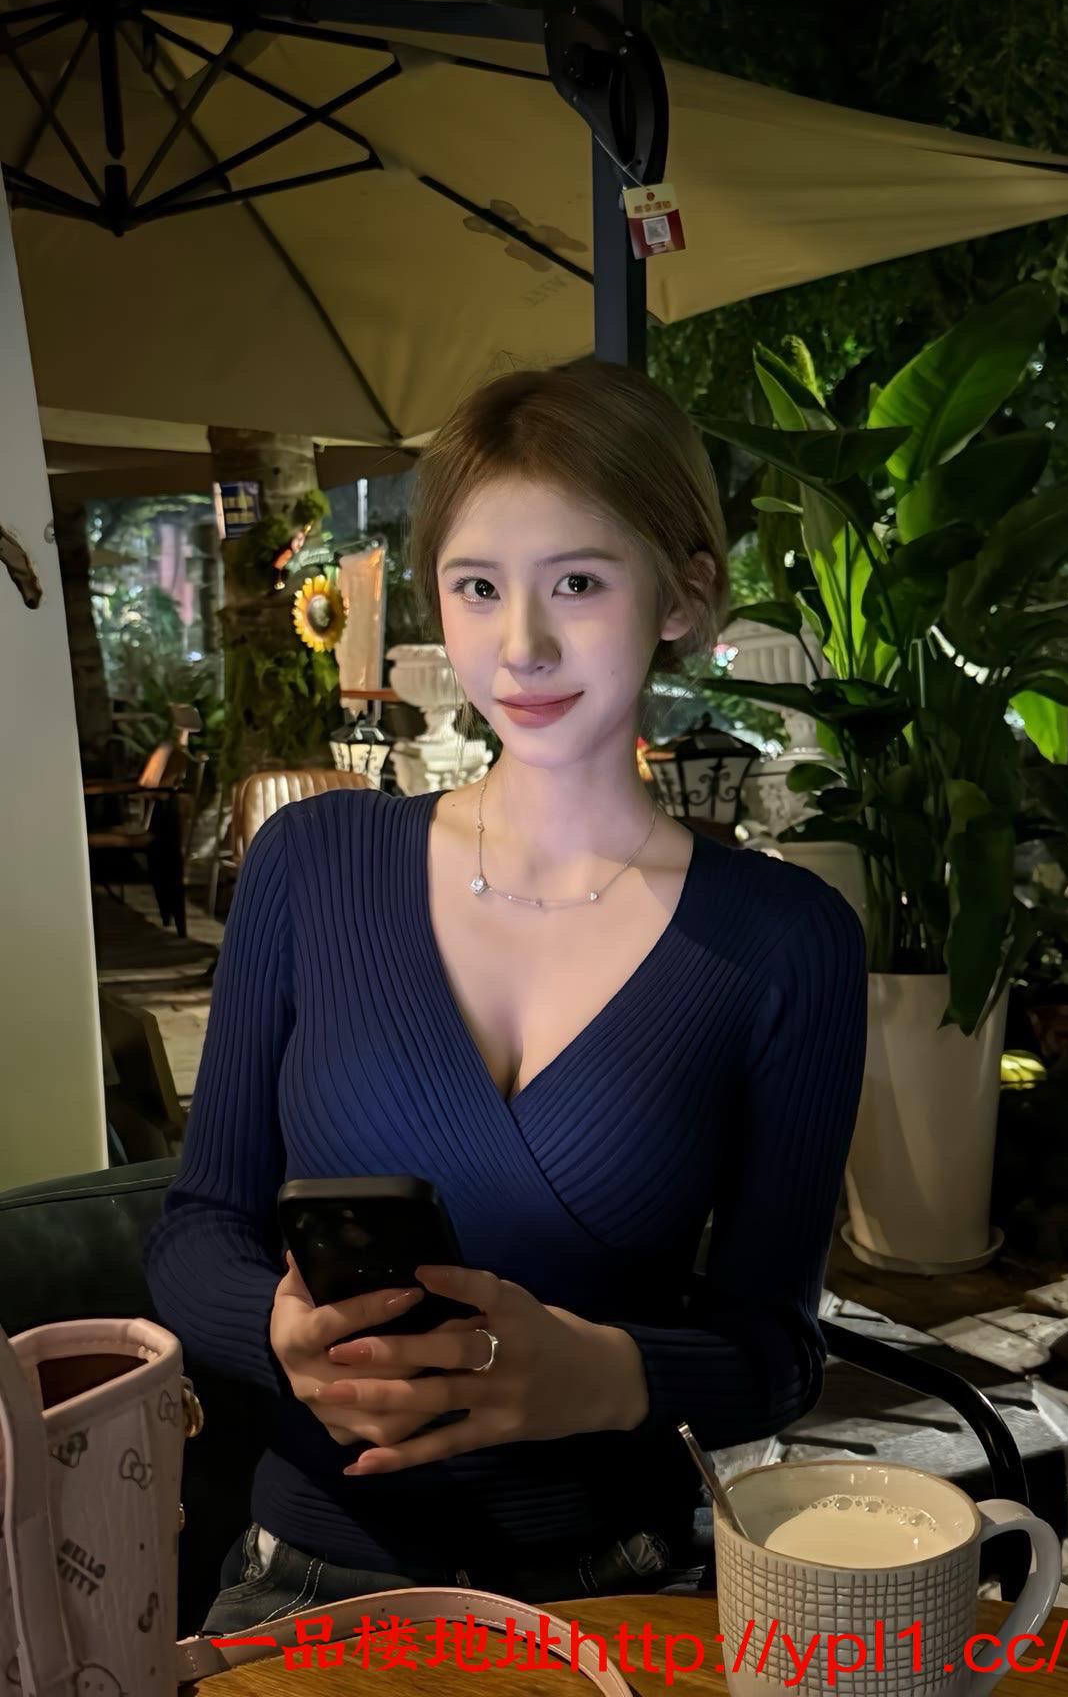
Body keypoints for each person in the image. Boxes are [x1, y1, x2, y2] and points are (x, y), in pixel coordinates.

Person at [144, 358, 867, 1633]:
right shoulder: (314, 865)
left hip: (622, 1586)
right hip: (308, 1582)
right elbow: (198, 1227)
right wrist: (277, 1332)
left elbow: (778, 1349)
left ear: (685, 594)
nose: (521, 646)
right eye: (478, 587)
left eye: (578, 583)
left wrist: (606, 1374)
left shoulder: (785, 941)